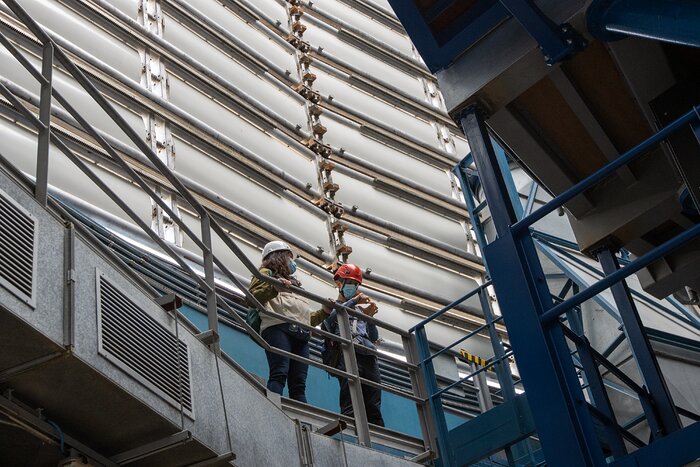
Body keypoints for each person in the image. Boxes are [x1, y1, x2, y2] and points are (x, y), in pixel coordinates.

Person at [248, 240, 330, 402]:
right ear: (278, 257)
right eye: (288, 257)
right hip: (277, 327)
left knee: (299, 383)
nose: (291, 262)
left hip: (301, 332)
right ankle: (272, 410)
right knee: (279, 372)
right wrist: (273, 288)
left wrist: (324, 312)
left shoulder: (295, 284)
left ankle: (302, 418)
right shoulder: (266, 273)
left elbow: (303, 317)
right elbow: (252, 299)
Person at [321, 263, 385, 426]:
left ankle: (379, 437)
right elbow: (332, 319)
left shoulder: (359, 311)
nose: (353, 287)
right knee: (350, 399)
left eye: (355, 285)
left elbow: (373, 336)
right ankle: (351, 433)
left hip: (367, 354)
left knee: (373, 401)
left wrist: (370, 318)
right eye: (349, 283)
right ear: (339, 283)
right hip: (346, 354)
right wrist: (355, 300)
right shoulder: (331, 306)